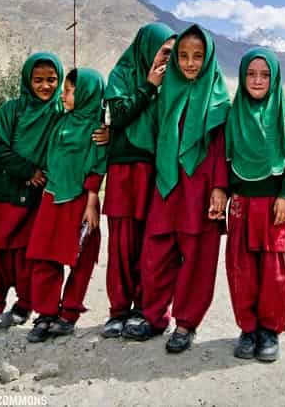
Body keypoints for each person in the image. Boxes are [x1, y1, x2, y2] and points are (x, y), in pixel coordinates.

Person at [123, 25, 231, 354]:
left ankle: (186, 323)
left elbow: (223, 147)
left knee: (198, 257)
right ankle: (154, 316)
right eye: (183, 55)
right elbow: (144, 128)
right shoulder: (166, 91)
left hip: (201, 187)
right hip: (167, 183)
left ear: (209, 58)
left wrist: (220, 188)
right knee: (156, 250)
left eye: (198, 56)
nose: (189, 63)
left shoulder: (219, 98)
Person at [0, 53, 64, 342]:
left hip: (38, 197)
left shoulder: (61, 111)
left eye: (52, 79)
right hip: (6, 192)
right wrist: (27, 170)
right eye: (38, 80)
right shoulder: (13, 109)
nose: (45, 86)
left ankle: (25, 305)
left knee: (29, 254)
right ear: (27, 80)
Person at [224, 48, 285, 362]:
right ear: (243, 77)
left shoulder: (284, 112)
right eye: (251, 74)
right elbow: (225, 158)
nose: (258, 80)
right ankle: (248, 329)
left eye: (265, 74)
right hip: (242, 205)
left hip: (274, 206)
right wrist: (223, 192)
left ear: (275, 78)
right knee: (242, 270)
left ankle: (270, 330)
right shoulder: (234, 112)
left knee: (274, 272)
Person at [101, 23, 176, 338]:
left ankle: (146, 309)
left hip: (155, 171)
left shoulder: (173, 83)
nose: (168, 60)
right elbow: (117, 116)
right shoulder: (121, 75)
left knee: (152, 244)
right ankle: (118, 310)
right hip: (123, 169)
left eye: (173, 54)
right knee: (121, 243)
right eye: (165, 52)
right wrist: (148, 87)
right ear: (149, 47)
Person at [25, 68, 108, 342]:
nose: (63, 94)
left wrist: (92, 201)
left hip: (81, 202)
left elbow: (97, 167)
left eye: (69, 90)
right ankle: (46, 313)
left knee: (80, 258)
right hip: (52, 198)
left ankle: (69, 314)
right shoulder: (61, 122)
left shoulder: (98, 130)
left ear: (86, 94)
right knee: (44, 256)